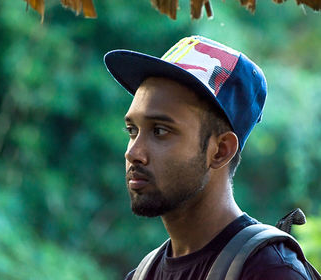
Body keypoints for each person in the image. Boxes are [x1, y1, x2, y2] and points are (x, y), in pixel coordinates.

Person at [104, 36, 310, 280]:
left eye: (160, 131)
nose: (133, 153)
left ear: (221, 150)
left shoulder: (270, 271)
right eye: (132, 131)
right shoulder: (142, 274)